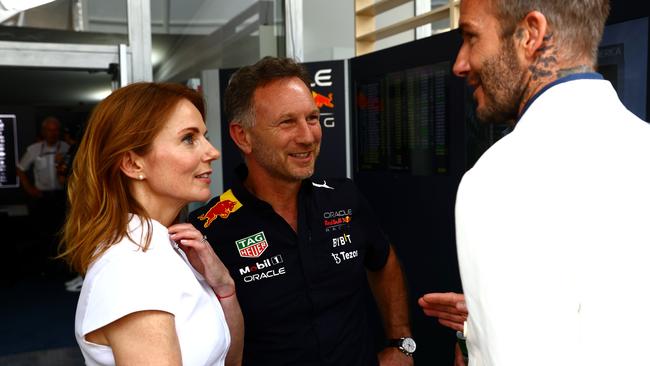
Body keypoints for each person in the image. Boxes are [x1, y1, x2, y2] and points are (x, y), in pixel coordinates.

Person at [422, 0, 650, 365]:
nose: (460, 64)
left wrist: (483, 340)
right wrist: (484, 319)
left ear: (530, 34)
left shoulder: (495, 182)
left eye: (471, 36)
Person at [189, 56, 414, 366]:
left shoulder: (344, 198)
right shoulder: (209, 230)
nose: (308, 137)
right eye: (287, 122)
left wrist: (401, 342)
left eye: (312, 118)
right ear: (243, 136)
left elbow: (383, 259)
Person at [59, 82, 244, 365]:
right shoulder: (132, 266)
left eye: (203, 136)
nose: (212, 152)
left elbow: (226, 359)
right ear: (133, 164)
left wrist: (225, 287)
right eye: (188, 139)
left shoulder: (163, 245)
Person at [17, 116, 69, 272]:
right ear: (43, 132)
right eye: (49, 130)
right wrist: (30, 189)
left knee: (62, 234)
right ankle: (42, 268)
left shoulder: (66, 148)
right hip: (41, 198)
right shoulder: (34, 149)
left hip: (61, 197)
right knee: (41, 233)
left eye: (55, 130)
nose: (52, 133)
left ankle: (61, 269)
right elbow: (20, 169)